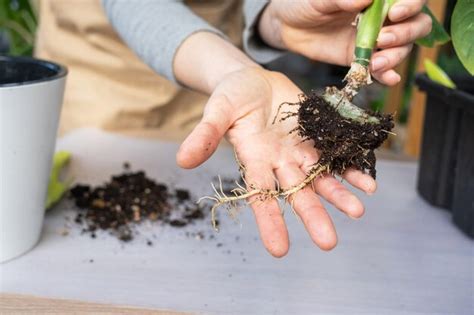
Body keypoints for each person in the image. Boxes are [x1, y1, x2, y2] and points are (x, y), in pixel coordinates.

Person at [36, 0, 431, 257]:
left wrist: (274, 18)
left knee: (194, 228)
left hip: (227, 96)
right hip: (98, 79)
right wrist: (235, 71)